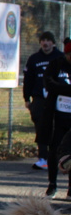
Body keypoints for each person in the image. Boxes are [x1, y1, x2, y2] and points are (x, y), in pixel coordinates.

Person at [23, 31, 60, 170]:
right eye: (43, 40)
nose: (45, 43)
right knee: (41, 128)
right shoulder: (34, 59)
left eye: (48, 40)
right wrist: (27, 98)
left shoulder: (60, 57)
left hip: (57, 99)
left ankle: (56, 157)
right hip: (39, 99)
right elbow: (28, 80)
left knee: (57, 128)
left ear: (53, 43)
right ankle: (42, 158)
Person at [42, 40, 71, 198]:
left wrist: (62, 89)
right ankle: (52, 184)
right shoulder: (56, 65)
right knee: (54, 150)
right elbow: (49, 84)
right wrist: (66, 90)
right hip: (57, 117)